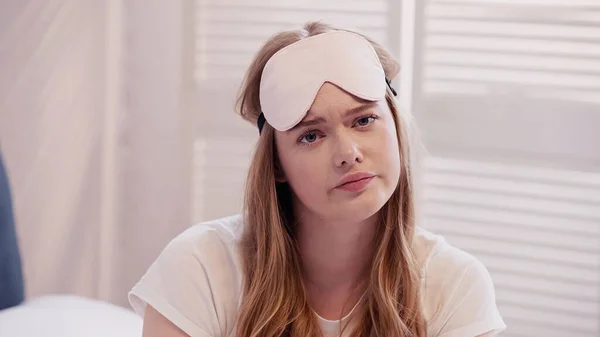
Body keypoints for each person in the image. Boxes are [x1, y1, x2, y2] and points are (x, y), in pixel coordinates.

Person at [128, 22, 506, 337]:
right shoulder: (201, 268)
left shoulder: (454, 285)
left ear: (395, 127)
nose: (348, 152)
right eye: (311, 135)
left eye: (363, 120)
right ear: (276, 165)